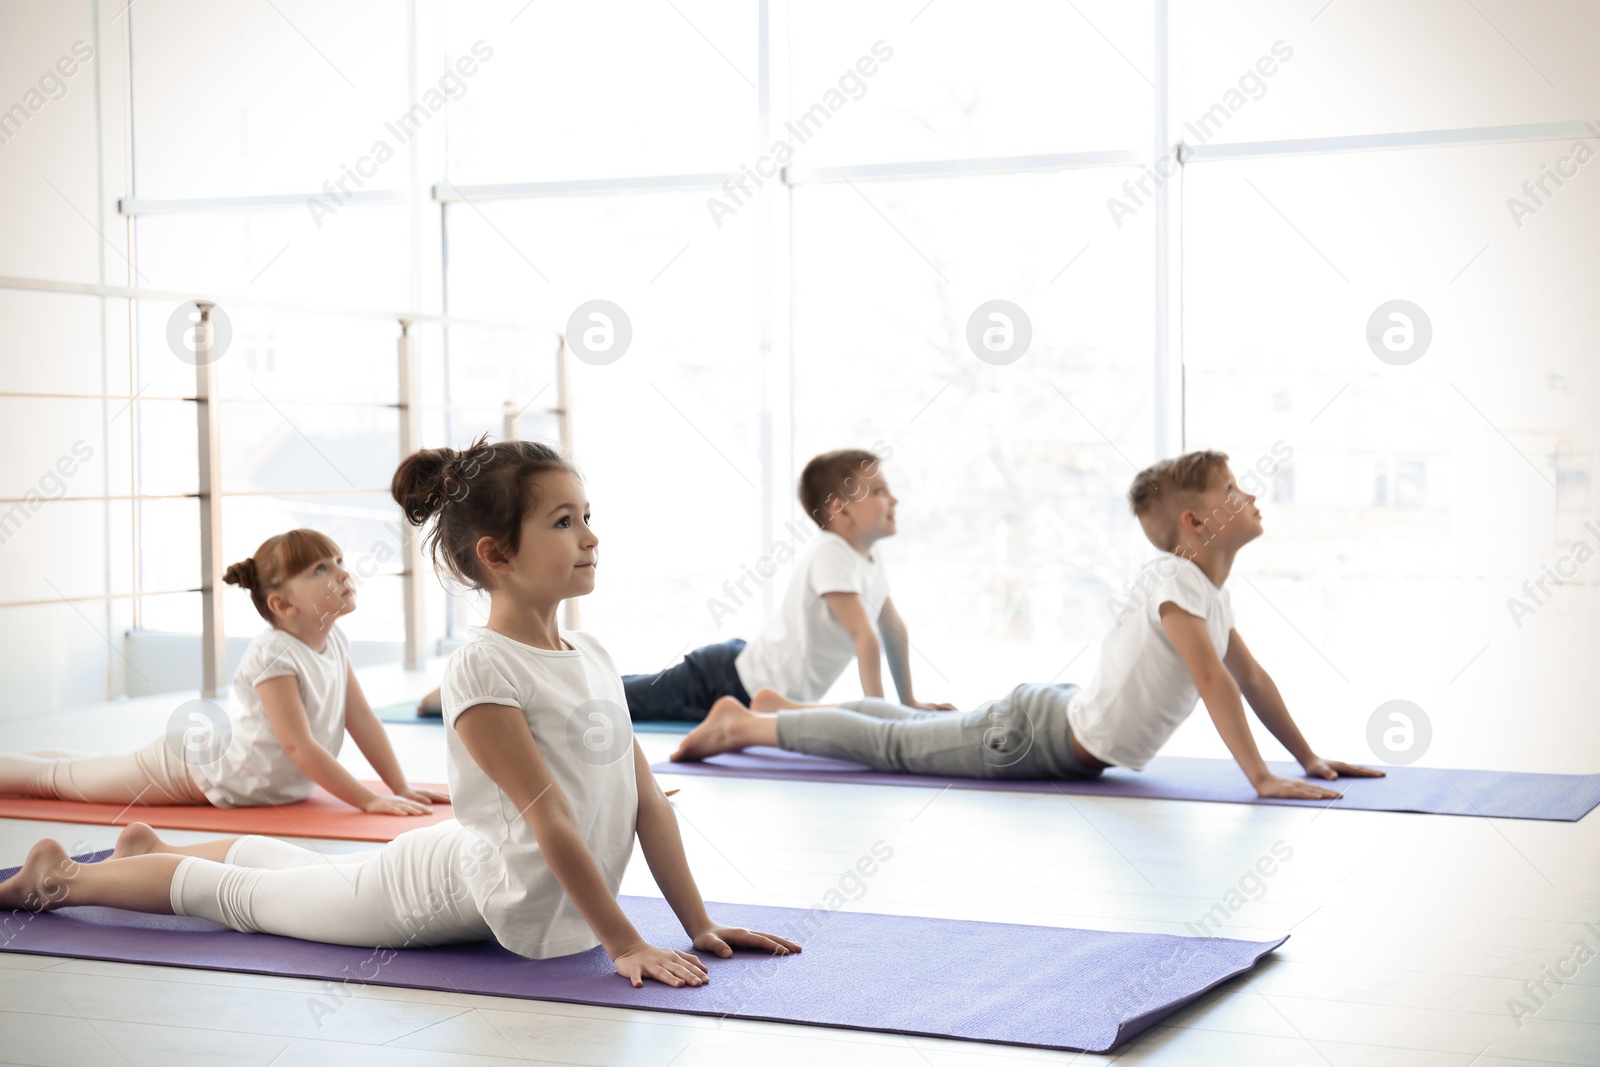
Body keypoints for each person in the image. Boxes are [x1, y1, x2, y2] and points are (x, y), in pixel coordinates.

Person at [0, 437, 798, 987]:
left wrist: (699, 925)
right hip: (427, 892)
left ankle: (150, 847)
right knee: (245, 903)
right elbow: (550, 817)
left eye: (588, 515)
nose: (590, 536)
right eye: (563, 521)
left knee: (299, 877)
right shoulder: (482, 665)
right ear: (496, 554)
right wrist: (626, 943)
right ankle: (64, 879)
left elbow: (647, 804)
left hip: (469, 864)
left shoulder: (589, 656)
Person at [671, 450, 1385, 800]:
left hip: (1045, 721)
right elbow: (1212, 680)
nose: (1253, 494)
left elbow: (1248, 677)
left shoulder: (1201, 588)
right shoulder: (1174, 582)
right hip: (1030, 739)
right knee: (892, 744)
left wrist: (1309, 757)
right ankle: (743, 726)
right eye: (1234, 490)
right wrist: (1260, 776)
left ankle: (780, 709)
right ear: (1195, 523)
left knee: (904, 731)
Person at [0, 528, 444, 815]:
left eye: (340, 560)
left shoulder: (333, 643)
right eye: (320, 569)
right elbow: (298, 745)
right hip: (191, 771)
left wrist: (399, 787)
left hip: (235, 778)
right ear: (282, 604)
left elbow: (361, 719)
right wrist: (368, 800)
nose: (344, 574)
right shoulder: (274, 655)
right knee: (55, 782)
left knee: (78, 769)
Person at [618, 446, 953, 724]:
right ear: (841, 510)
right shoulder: (831, 551)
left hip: (752, 679)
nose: (894, 500)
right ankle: (571, 689)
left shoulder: (868, 557)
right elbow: (864, 636)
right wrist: (882, 718)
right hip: (726, 682)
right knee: (622, 700)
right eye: (879, 490)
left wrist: (908, 701)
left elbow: (893, 630)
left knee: (630, 695)